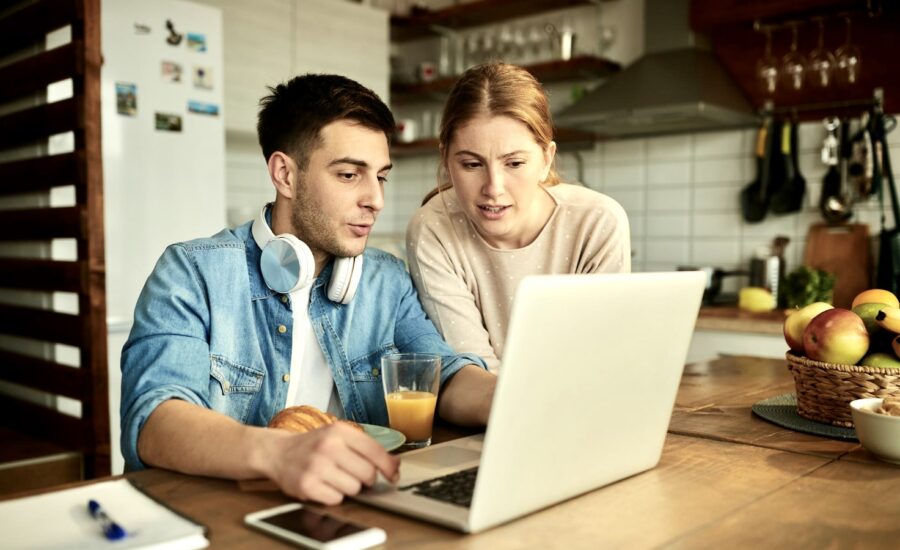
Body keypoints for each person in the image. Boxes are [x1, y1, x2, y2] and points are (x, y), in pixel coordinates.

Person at [120, 74, 495, 505]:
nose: (375, 199)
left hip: (345, 510)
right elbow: (154, 418)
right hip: (219, 516)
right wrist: (281, 455)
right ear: (285, 175)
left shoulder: (386, 280)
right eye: (350, 174)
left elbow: (443, 376)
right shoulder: (191, 272)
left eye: (381, 177)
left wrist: (514, 397)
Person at [406, 63, 631, 374]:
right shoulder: (433, 228)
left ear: (546, 159)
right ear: (446, 160)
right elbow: (473, 371)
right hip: (486, 416)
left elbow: (600, 360)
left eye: (514, 163)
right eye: (472, 164)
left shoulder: (597, 223)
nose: (493, 189)